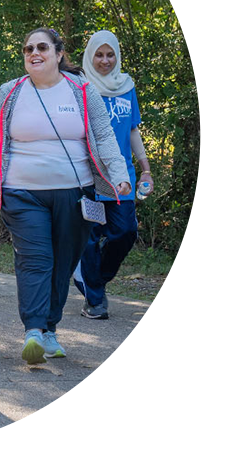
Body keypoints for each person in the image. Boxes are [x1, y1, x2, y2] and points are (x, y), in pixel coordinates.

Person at [0, 27, 131, 364]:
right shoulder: (10, 92)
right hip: (21, 192)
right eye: (28, 48)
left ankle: (50, 331)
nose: (34, 53)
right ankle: (33, 331)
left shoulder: (82, 91)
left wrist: (118, 177)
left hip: (76, 193)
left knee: (63, 262)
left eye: (42, 47)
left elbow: (104, 136)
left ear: (59, 53)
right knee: (35, 259)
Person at [73, 30, 153, 320]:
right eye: (99, 54)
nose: (105, 60)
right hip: (89, 175)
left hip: (121, 177)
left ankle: (93, 279)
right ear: (90, 56)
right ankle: (95, 301)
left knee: (125, 232)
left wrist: (145, 168)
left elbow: (133, 130)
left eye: (110, 55)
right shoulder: (79, 86)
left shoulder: (126, 86)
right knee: (92, 236)